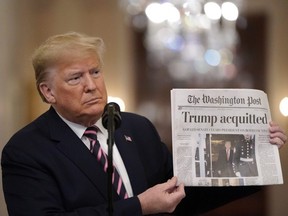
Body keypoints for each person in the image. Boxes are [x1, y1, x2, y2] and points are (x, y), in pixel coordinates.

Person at [1, 32, 287, 216]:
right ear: (48, 92)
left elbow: (183, 195)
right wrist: (140, 206)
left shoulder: (136, 128)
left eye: (96, 71)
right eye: (76, 78)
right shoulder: (25, 151)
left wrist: (255, 158)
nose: (91, 85)